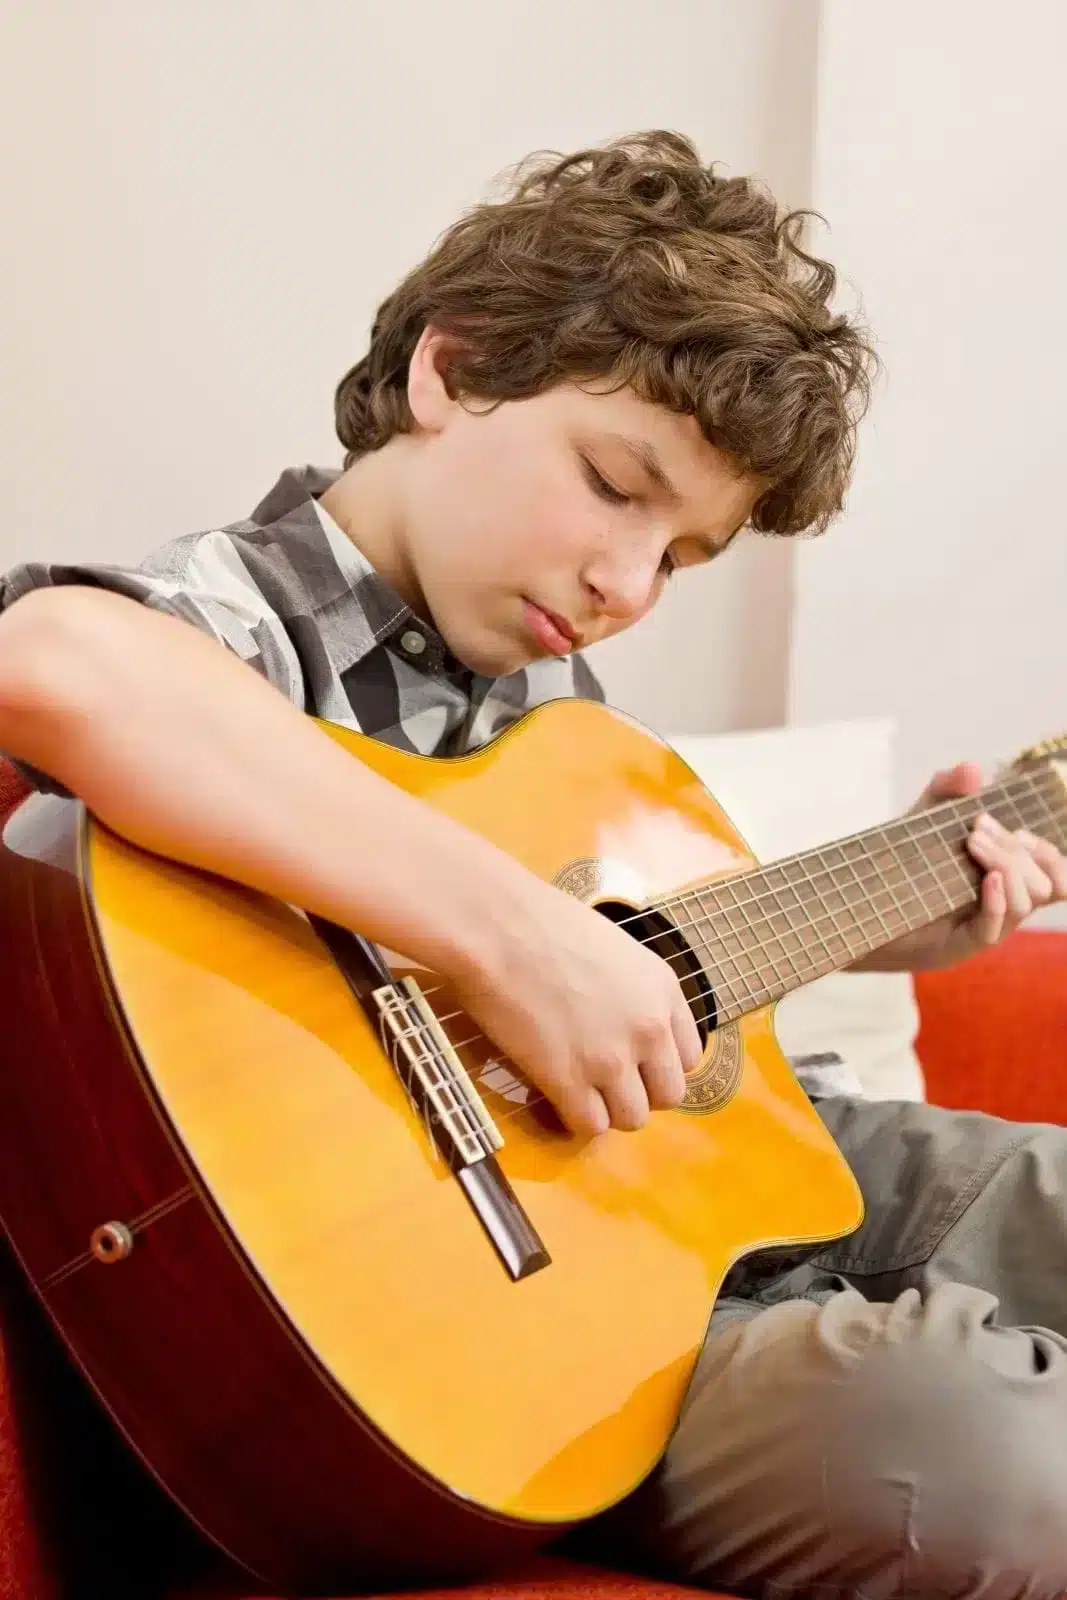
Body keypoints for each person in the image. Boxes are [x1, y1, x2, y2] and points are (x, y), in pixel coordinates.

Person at [1, 130, 1066, 1599]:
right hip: (548, 1345)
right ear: (452, 372)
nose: (626, 586)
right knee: (992, 1456)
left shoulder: (560, 723)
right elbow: (55, 665)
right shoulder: (237, 617)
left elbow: (657, 977)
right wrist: (520, 944)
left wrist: (896, 923)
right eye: (614, 485)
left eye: (682, 557)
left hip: (750, 1199)